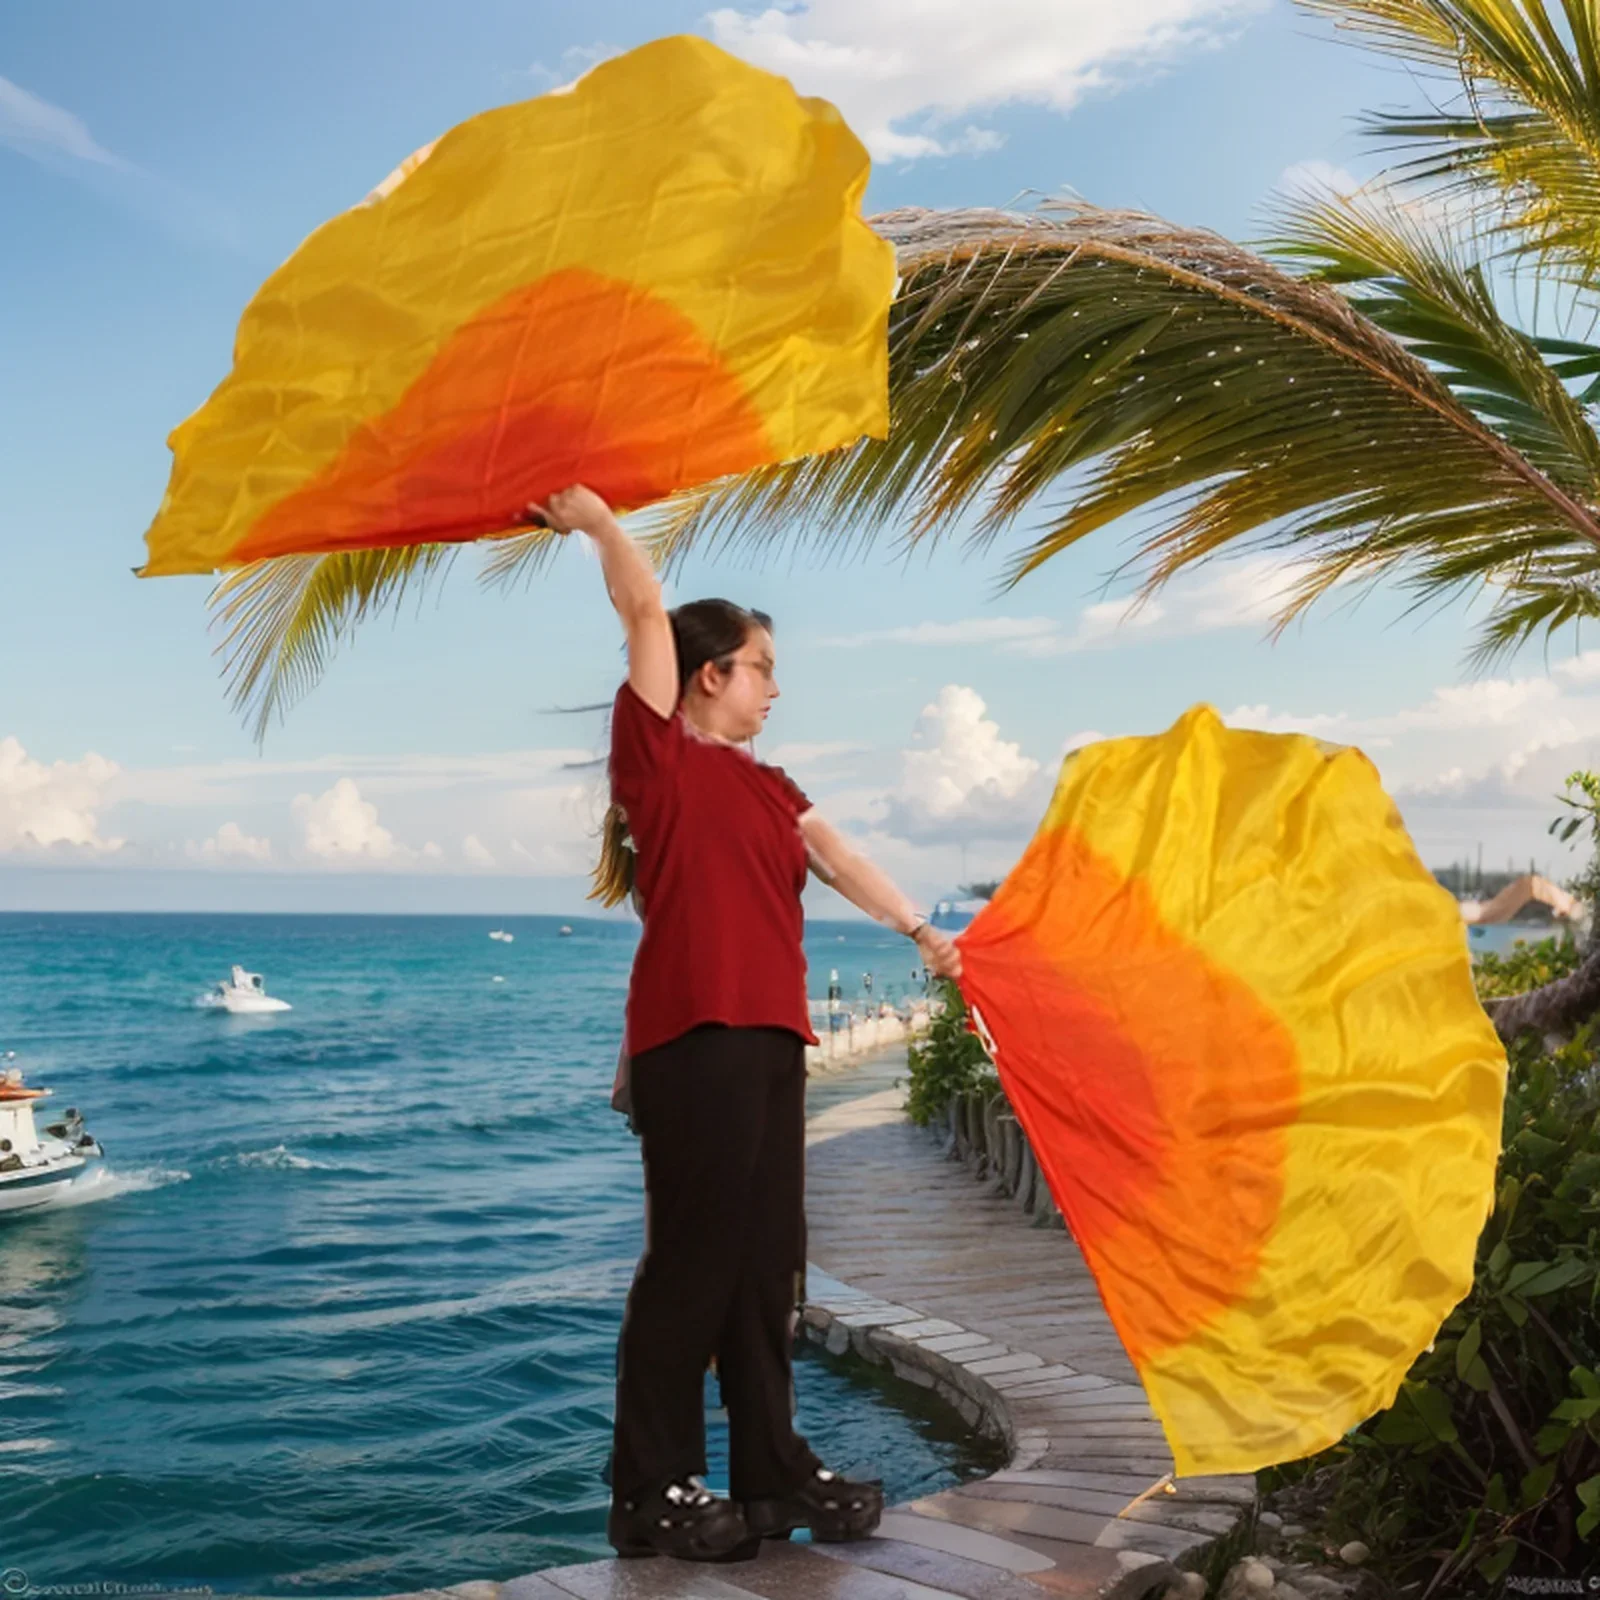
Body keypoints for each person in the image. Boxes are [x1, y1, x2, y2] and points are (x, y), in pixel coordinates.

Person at [527, 484, 964, 1565]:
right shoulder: (659, 760)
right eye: (762, 667)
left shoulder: (771, 788)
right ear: (709, 674)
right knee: (694, 1262)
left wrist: (919, 927)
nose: (774, 688)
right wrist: (595, 522)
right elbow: (642, 613)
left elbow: (840, 856)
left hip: (770, 1039)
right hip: (694, 1035)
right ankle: (650, 1489)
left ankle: (768, 1474)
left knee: (769, 1266)